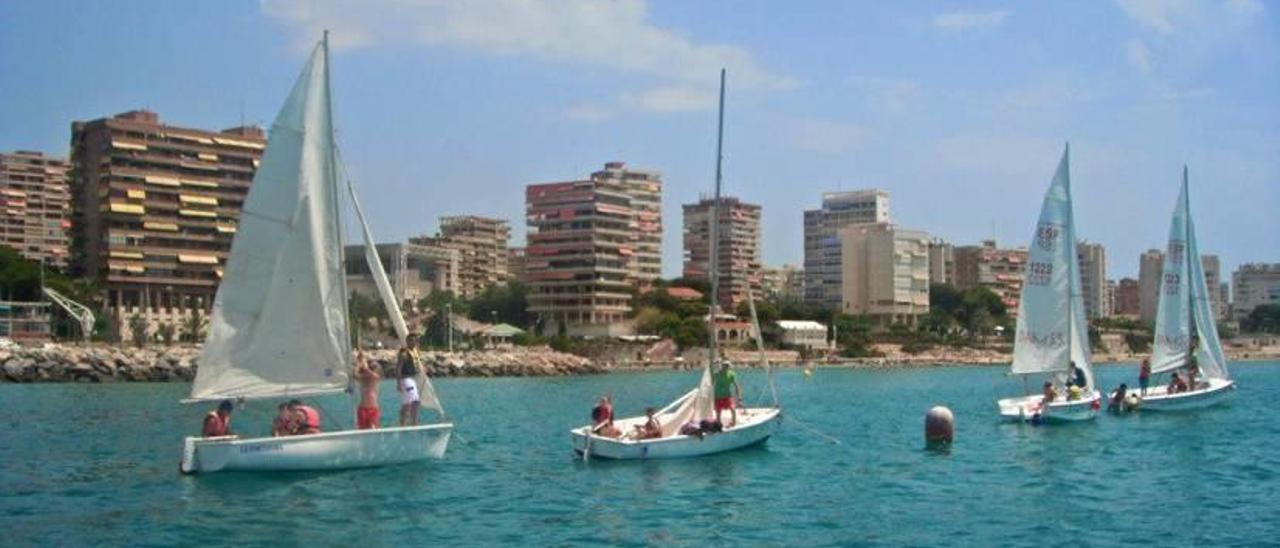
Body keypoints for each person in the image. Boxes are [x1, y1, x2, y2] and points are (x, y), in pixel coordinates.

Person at [354, 350, 381, 430]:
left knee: (374, 430)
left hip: (373, 409)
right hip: (363, 408)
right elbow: (354, 374)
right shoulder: (363, 379)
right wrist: (359, 364)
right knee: (362, 431)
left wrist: (362, 361)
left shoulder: (375, 377)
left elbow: (367, 371)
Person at [712, 361, 742, 427]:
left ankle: (733, 423)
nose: (725, 367)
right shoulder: (716, 374)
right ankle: (718, 425)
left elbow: (736, 386)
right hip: (718, 396)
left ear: (728, 367)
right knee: (718, 412)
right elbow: (710, 383)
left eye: (727, 366)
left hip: (727, 396)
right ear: (722, 366)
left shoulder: (731, 374)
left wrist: (739, 398)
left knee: (732, 409)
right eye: (724, 365)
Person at [397, 350, 421, 426]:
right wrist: (398, 383)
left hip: (412, 380)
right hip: (406, 380)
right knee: (410, 402)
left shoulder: (414, 354)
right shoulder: (404, 353)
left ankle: (413, 423)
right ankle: (404, 424)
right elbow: (398, 368)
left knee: (415, 402)